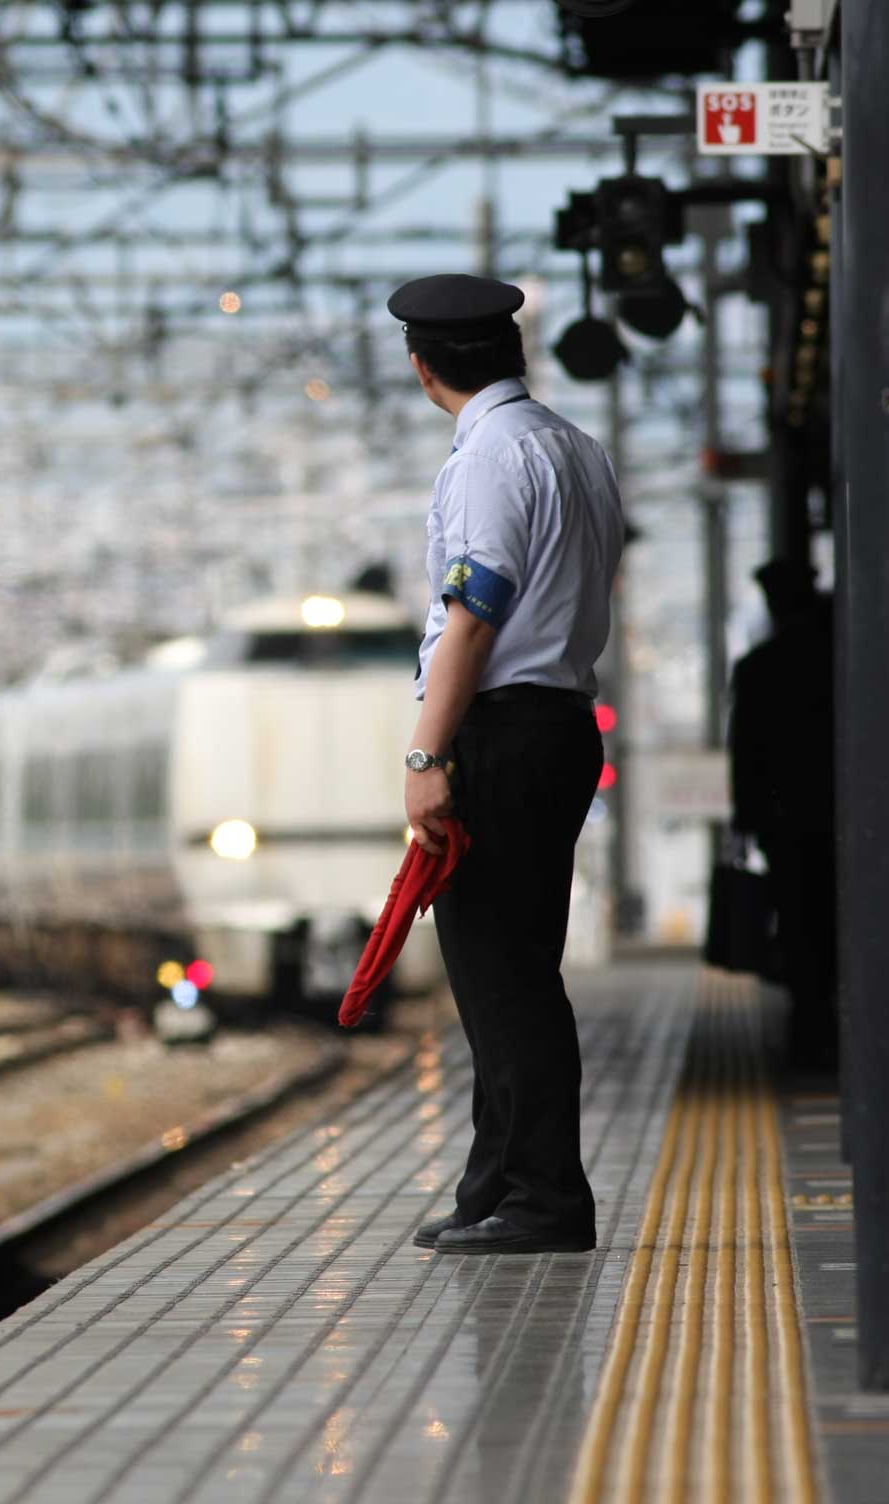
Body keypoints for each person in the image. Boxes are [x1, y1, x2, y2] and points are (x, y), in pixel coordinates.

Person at [389, 274, 627, 1256]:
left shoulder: (488, 458)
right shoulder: (575, 447)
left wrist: (425, 752)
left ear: (422, 365)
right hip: (562, 722)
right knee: (509, 967)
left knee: (505, 977)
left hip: (506, 729)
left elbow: (473, 616)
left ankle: (545, 1198)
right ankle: (494, 1182)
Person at [728, 559, 839, 1071]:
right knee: (838, 918)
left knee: (799, 921)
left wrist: (746, 819)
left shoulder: (758, 669)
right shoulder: (839, 657)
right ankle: (833, 1023)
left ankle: (809, 1026)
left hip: (785, 821)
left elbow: (745, 753)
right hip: (840, 811)